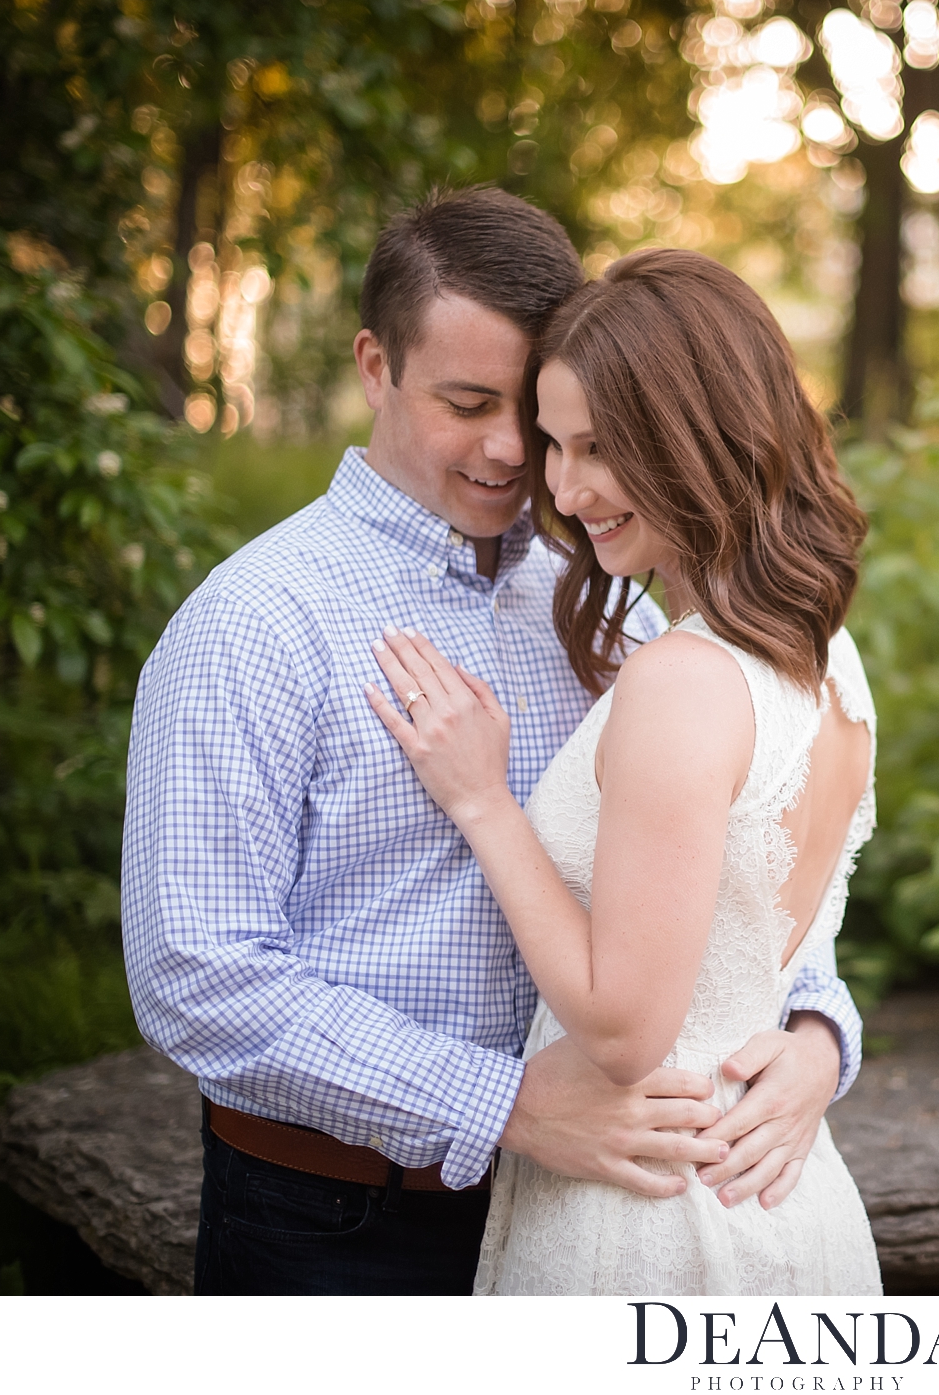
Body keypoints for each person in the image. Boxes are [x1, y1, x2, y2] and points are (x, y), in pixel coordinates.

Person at [120, 188, 863, 1296]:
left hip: (598, 1211)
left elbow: (740, 879)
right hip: (339, 1226)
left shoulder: (619, 602)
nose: (517, 453)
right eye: (467, 402)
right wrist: (503, 1106)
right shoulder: (257, 621)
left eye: (540, 412)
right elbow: (198, 974)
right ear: (376, 366)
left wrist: (815, 1033)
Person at [364, 247, 882, 1294]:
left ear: (702, 435)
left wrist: (486, 804)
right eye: (556, 444)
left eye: (600, 447)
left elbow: (622, 1029)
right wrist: (823, 1039)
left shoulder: (683, 678)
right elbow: (760, 928)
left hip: (655, 1213)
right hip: (775, 1190)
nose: (563, 486)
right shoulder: (824, 657)